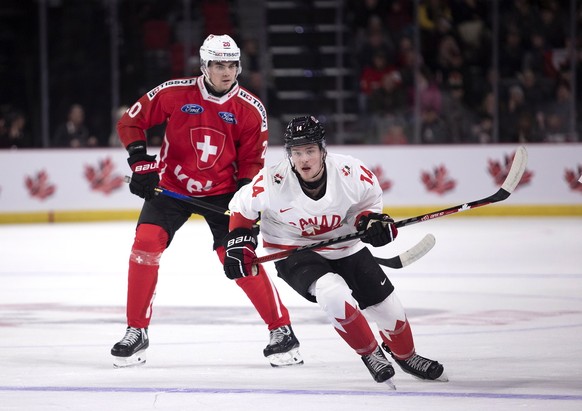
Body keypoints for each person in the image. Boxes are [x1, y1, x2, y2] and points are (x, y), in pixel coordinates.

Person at [111, 34, 302, 368]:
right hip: (172, 188)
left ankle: (282, 330)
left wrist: (247, 209)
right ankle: (136, 330)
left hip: (225, 194)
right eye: (218, 64)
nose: (226, 71)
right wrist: (140, 162)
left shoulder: (251, 109)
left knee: (237, 257)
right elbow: (131, 121)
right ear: (204, 65)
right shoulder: (174, 92)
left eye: (231, 65)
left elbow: (252, 164)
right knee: (145, 243)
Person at [222, 115, 447, 387]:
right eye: (297, 152)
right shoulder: (272, 181)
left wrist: (371, 222)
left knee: (390, 311)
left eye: (310, 151)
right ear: (289, 154)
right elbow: (241, 211)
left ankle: (406, 356)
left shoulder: (351, 171)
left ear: (322, 150)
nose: (304, 159)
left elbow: (368, 204)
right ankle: (370, 352)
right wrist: (240, 244)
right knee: (332, 291)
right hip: (292, 251)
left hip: (345, 247)